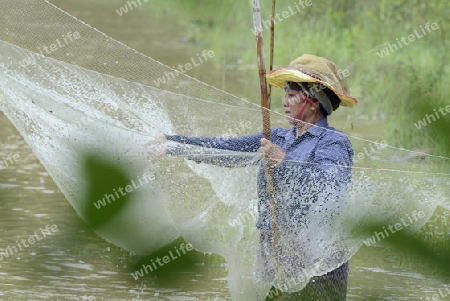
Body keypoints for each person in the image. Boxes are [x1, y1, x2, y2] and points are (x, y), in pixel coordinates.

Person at [146, 54, 357, 300]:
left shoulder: (334, 143)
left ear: (313, 102)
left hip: (314, 257)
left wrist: (283, 161)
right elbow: (225, 148)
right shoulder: (276, 137)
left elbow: (329, 186)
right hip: (272, 249)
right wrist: (173, 144)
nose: (285, 103)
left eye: (291, 95)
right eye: (284, 95)